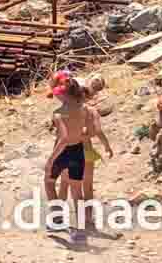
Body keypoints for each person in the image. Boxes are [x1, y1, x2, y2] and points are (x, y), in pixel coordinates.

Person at [44, 70, 89, 239]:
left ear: (61, 93)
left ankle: (57, 219)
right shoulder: (83, 108)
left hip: (63, 152)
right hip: (78, 151)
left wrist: (51, 158)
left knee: (49, 181)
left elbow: (62, 138)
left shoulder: (58, 113)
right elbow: (86, 130)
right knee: (77, 192)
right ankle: (82, 229)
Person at [58, 74, 112, 207]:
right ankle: (87, 220)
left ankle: (58, 216)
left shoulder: (63, 111)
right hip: (86, 152)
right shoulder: (92, 111)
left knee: (66, 185)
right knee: (88, 186)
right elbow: (98, 131)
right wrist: (107, 146)